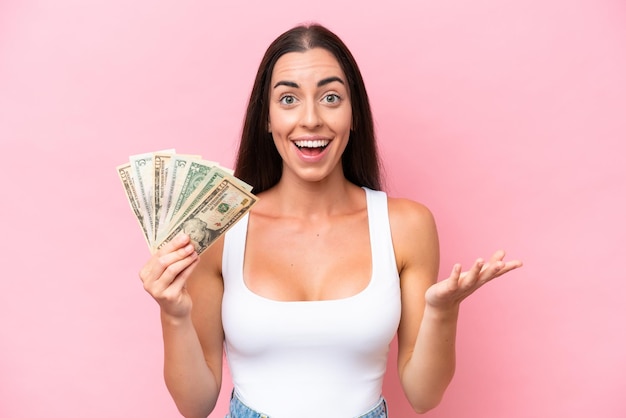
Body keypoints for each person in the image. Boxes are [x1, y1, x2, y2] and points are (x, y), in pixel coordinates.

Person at [139, 23, 522, 418]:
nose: (310, 120)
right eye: (288, 99)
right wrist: (173, 313)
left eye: (331, 97)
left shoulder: (406, 226)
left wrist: (443, 312)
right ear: (266, 119)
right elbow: (195, 404)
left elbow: (424, 396)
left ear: (353, 114)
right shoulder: (223, 229)